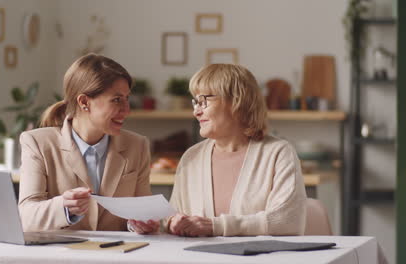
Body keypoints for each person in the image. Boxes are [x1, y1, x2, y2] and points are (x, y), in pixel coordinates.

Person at [162, 64, 307, 237]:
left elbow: (288, 221)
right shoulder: (191, 157)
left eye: (204, 101)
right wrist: (169, 222)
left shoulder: (278, 153)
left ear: (237, 102)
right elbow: (172, 215)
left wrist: (215, 226)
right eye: (196, 102)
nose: (196, 111)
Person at [18, 54, 154, 232]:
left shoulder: (138, 146)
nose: (127, 110)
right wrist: (64, 207)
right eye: (117, 100)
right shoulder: (38, 143)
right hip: (63, 257)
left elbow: (144, 214)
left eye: (127, 99)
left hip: (118, 256)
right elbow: (26, 216)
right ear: (84, 102)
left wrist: (140, 224)